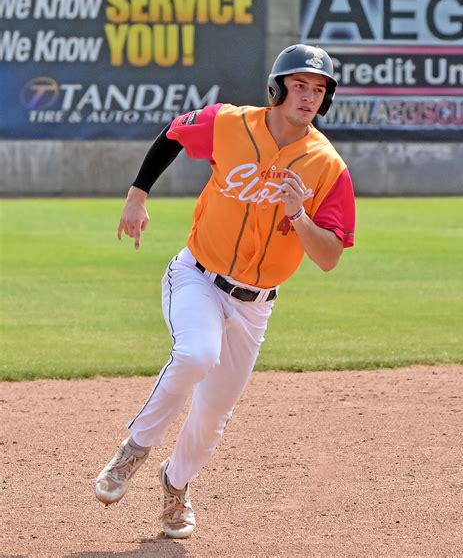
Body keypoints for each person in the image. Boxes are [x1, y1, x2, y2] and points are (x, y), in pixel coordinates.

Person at [95, 44, 356, 539]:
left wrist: (299, 214)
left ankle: (175, 486)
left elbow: (328, 257)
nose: (308, 96)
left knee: (214, 416)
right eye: (299, 85)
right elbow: (174, 133)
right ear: (278, 88)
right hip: (197, 275)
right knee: (196, 353)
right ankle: (135, 448)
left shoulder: (327, 166)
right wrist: (137, 193)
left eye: (318, 89)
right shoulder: (230, 123)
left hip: (256, 305)